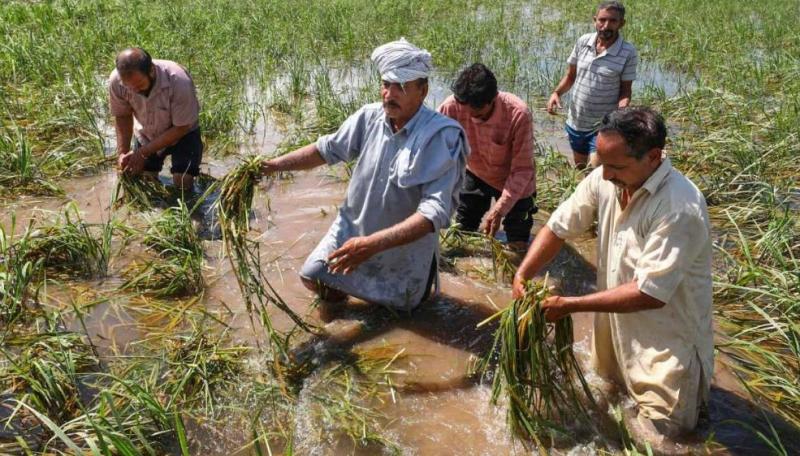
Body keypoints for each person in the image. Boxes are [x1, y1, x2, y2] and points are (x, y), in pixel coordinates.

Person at [512, 107, 713, 444]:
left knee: (663, 441)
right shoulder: (605, 178)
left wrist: (570, 305)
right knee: (605, 412)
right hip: (614, 338)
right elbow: (558, 227)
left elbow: (649, 292)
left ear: (653, 157)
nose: (605, 175)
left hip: (664, 353)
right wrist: (523, 274)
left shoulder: (680, 207)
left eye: (616, 167)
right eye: (601, 163)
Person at [261, 38, 468, 310]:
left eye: (401, 86)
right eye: (386, 84)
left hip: (402, 254)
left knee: (402, 312)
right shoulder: (369, 117)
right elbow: (326, 150)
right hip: (353, 233)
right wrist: (274, 165)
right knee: (313, 276)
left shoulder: (441, 137)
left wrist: (372, 245)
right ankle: (339, 305)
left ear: (423, 90)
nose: (389, 94)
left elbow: (434, 214)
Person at [438, 64, 537, 247]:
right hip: (475, 172)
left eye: (476, 114)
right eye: (465, 111)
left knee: (518, 243)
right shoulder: (451, 107)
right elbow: (435, 152)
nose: (469, 117)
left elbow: (522, 170)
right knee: (462, 232)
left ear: (492, 100)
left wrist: (499, 210)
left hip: (514, 181)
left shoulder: (518, 114)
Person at [546, 1, 638, 169]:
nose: (606, 25)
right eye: (602, 20)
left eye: (613, 21)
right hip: (576, 121)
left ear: (622, 23)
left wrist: (621, 114)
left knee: (595, 169)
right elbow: (570, 76)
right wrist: (556, 93)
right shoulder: (583, 41)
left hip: (603, 125)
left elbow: (625, 91)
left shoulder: (628, 52)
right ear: (595, 20)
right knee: (580, 167)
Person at [109, 47, 203, 191]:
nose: (135, 91)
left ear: (151, 71)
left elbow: (182, 127)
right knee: (145, 181)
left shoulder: (178, 80)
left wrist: (142, 153)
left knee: (183, 181)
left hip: (183, 134)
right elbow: (122, 116)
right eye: (129, 87)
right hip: (146, 135)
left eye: (139, 85)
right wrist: (123, 153)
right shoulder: (116, 81)